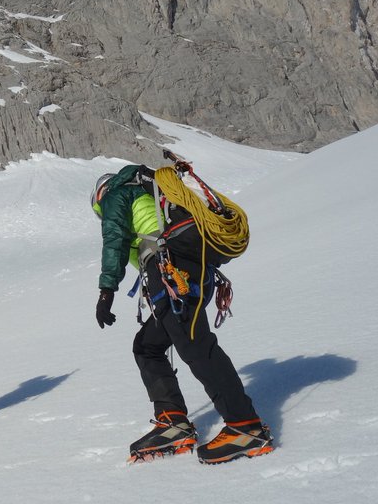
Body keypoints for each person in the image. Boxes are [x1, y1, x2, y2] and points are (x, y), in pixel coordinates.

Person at [93, 163, 274, 464]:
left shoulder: (116, 194)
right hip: (191, 272)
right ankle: (172, 421)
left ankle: (245, 427)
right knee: (148, 346)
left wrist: (106, 291)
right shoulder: (156, 191)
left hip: (170, 269)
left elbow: (114, 239)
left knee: (196, 346)